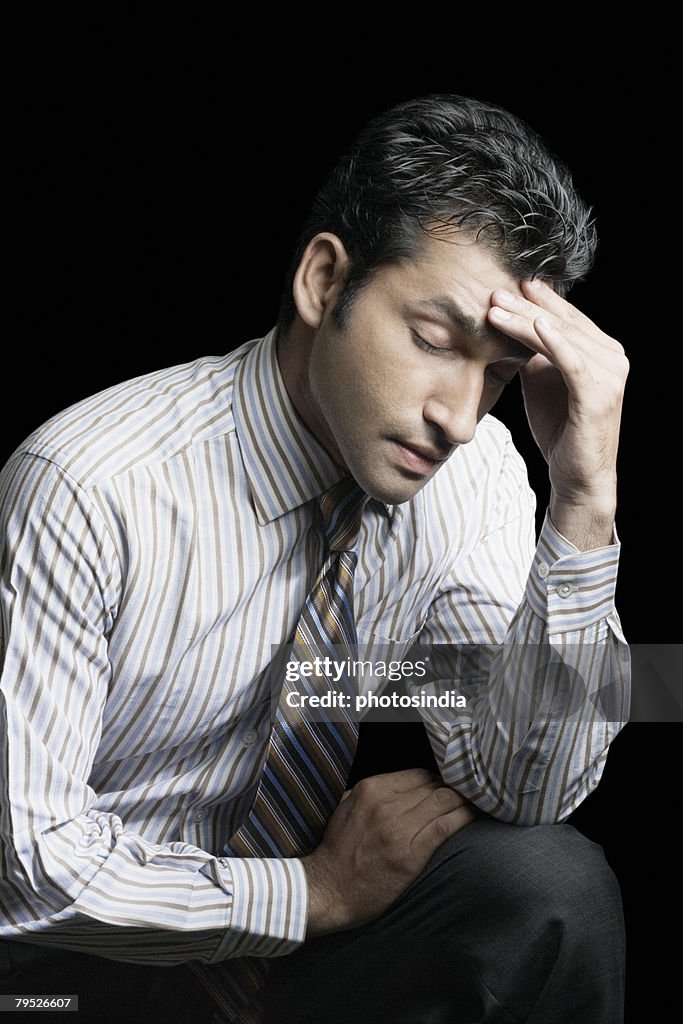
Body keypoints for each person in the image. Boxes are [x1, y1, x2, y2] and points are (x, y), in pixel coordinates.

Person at [0, 94, 630, 1023]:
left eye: (495, 372)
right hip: (64, 972)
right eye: (431, 340)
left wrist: (584, 504)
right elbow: (27, 873)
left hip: (287, 967)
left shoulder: (479, 474)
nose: (458, 416)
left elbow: (526, 784)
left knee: (544, 883)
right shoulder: (88, 486)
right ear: (324, 281)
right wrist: (314, 891)